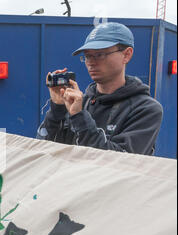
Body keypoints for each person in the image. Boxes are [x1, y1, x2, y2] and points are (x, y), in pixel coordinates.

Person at [36, 22, 163, 155]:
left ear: (127, 55)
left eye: (100, 54)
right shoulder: (78, 104)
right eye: (87, 56)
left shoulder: (146, 109)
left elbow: (119, 162)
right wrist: (57, 108)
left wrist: (80, 118)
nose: (91, 62)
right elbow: (44, 149)